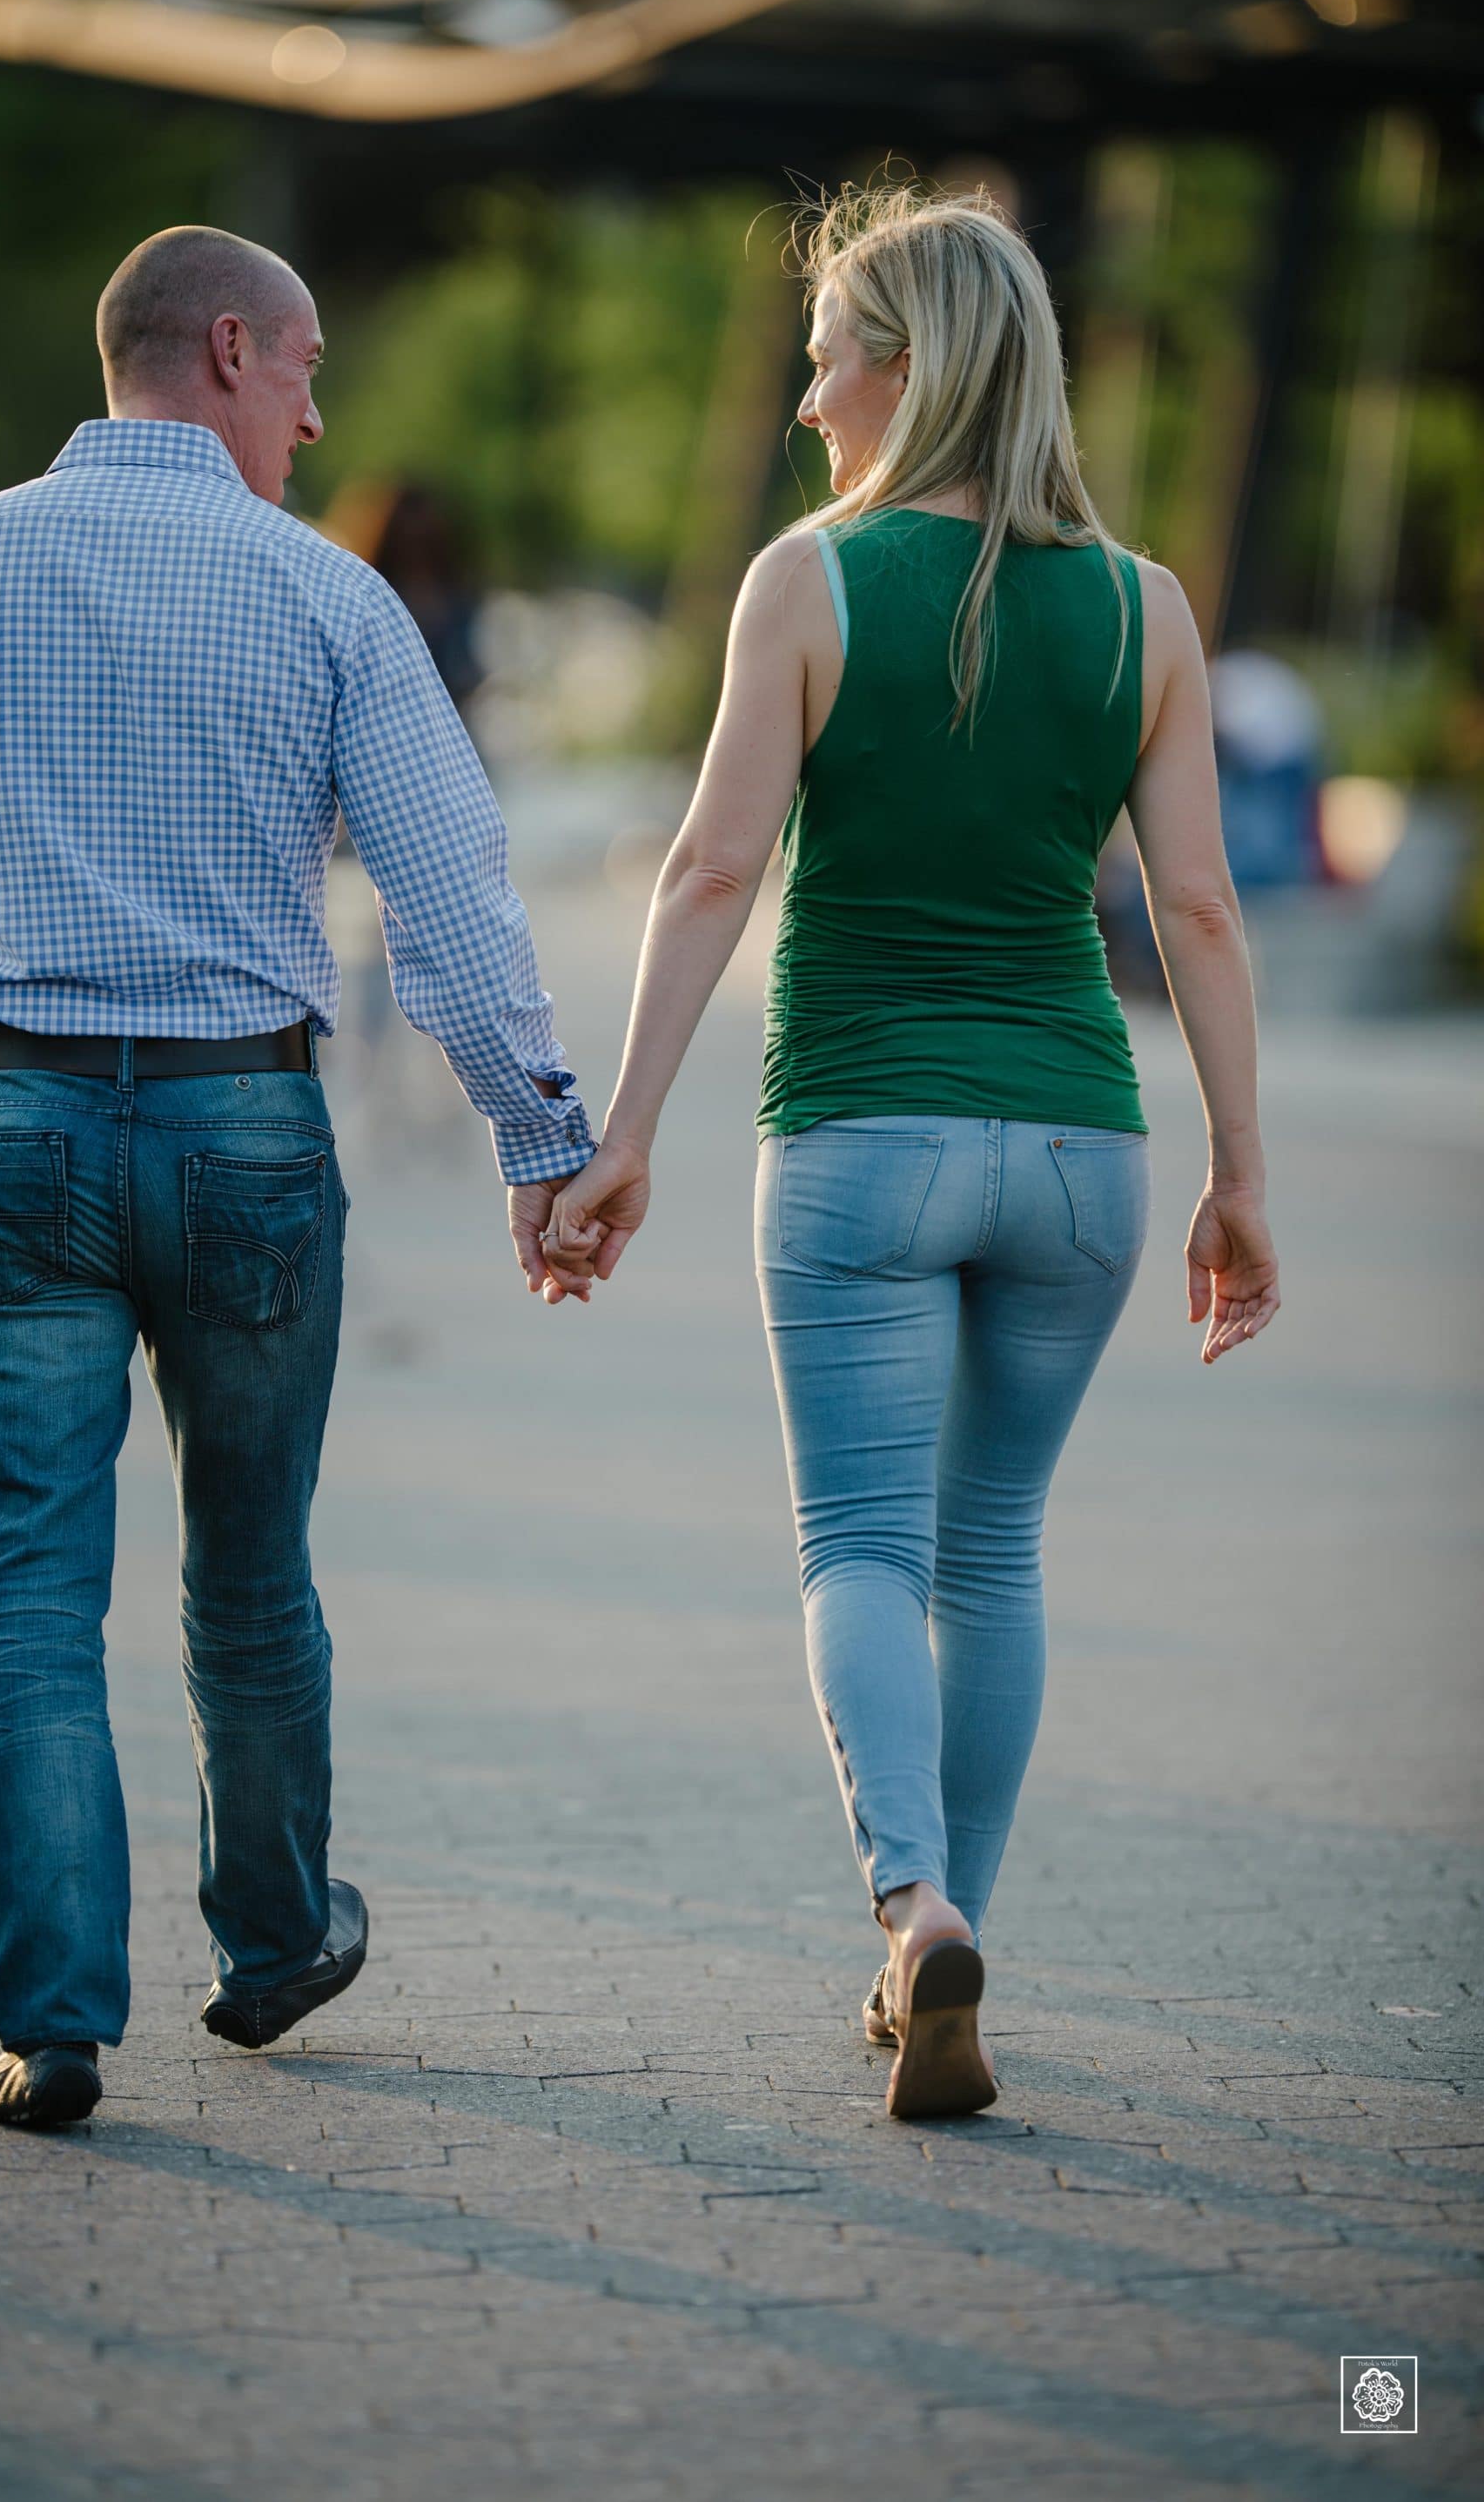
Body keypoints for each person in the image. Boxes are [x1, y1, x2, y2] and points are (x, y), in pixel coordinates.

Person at [0, 225, 594, 2129]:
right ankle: (270, 1948)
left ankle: (53, 2023)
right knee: (249, 1573)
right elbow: (452, 904)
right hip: (247, 1135)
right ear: (226, 348)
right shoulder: (326, 604)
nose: (323, 418)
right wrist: (545, 1144)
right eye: (307, 371)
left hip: (9, 1132)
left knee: (32, 1587)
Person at [545, 186, 1281, 2121]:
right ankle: (949, 1952)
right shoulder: (1146, 608)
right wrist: (1242, 1176)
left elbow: (713, 868)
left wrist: (618, 1136)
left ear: (906, 366)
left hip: (861, 1134)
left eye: (823, 357)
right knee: (996, 1546)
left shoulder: (809, 579)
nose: (804, 400)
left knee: (863, 1546)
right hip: (1078, 1150)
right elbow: (1199, 911)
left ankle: (913, 1908)